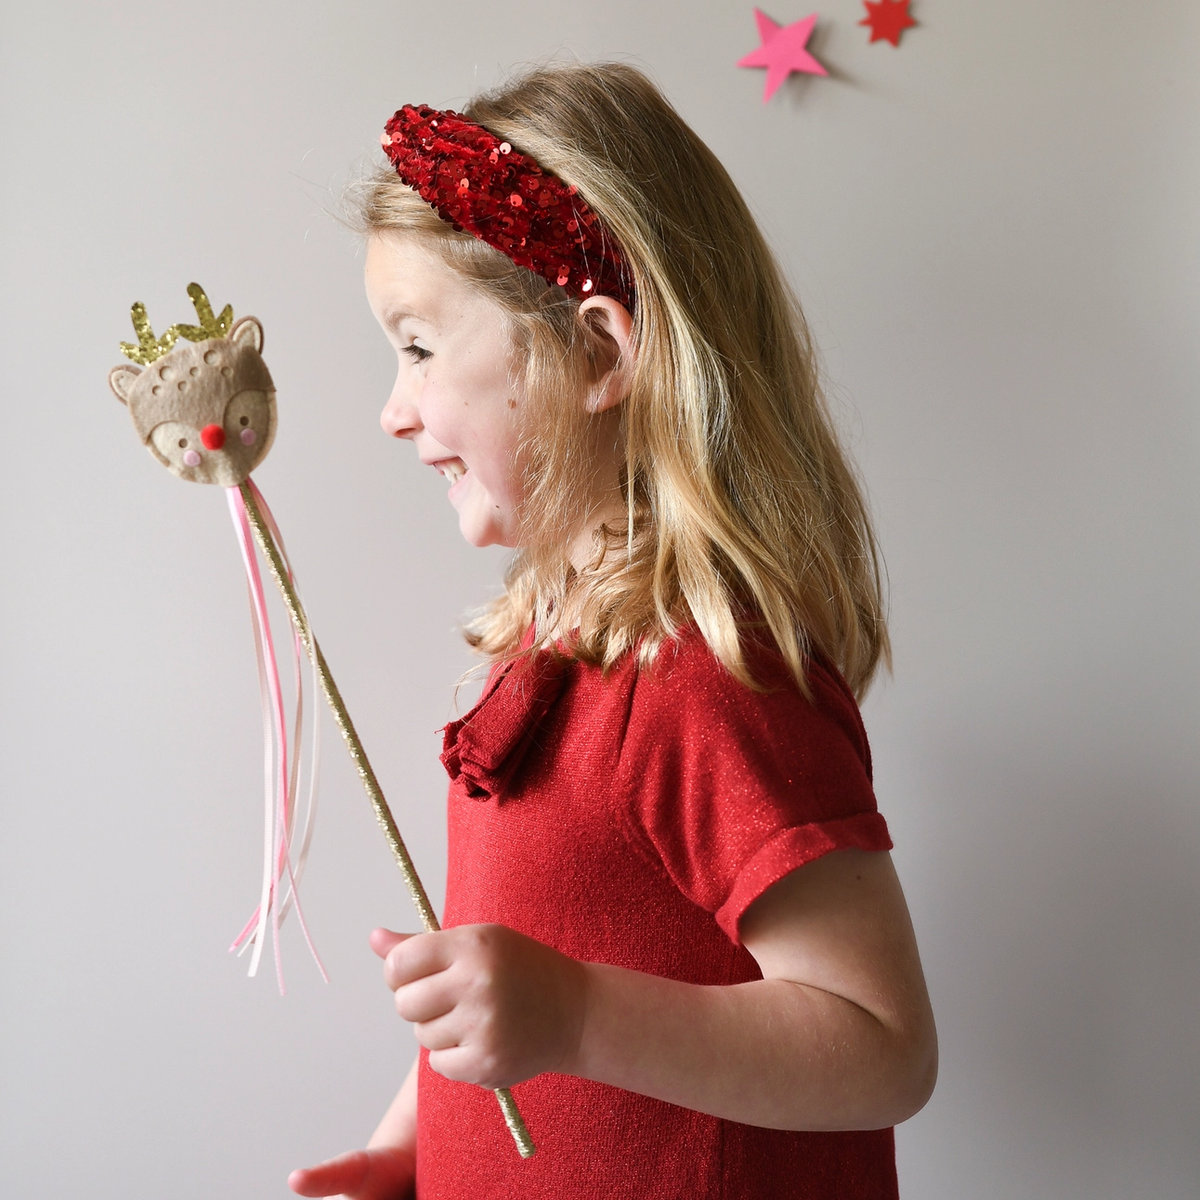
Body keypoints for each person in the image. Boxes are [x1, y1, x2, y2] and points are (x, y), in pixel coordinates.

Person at [289, 61, 936, 1200]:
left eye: (420, 349)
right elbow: (510, 966)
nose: (394, 410)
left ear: (596, 354)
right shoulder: (554, 647)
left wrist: (576, 1013)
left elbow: (882, 1045)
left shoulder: (706, 679)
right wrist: (414, 1141)